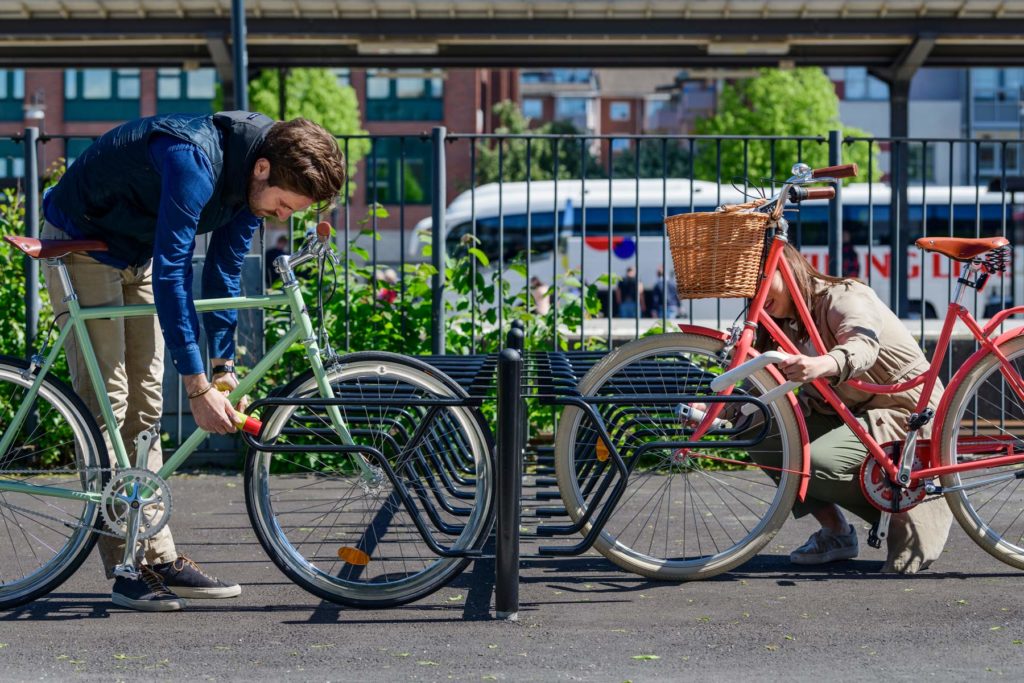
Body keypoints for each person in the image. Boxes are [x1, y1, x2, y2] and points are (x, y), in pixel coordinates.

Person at [41, 112, 346, 611]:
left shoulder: (258, 170)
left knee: (147, 408)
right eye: (285, 206)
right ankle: (126, 567)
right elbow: (174, 272)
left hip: (133, 250)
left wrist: (221, 366)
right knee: (110, 405)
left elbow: (224, 270)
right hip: (82, 242)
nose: (283, 218)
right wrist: (197, 385)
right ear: (263, 170)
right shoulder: (193, 159)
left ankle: (158, 557)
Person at [755, 242, 952, 573]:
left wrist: (823, 364)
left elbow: (863, 345)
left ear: (785, 267)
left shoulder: (843, 295)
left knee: (812, 461)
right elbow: (762, 381)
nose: (758, 293)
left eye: (763, 280)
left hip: (905, 411)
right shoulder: (784, 321)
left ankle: (914, 500)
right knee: (760, 431)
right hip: (850, 412)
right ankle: (836, 532)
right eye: (751, 288)